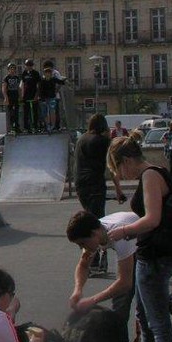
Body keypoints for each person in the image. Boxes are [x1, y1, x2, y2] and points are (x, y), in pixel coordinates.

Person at [107, 133, 172, 342]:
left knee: (157, 321)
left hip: (155, 256)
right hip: (156, 254)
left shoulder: (149, 176)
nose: (120, 176)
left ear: (127, 160)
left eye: (119, 169)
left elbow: (152, 219)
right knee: (146, 318)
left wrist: (123, 231)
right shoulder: (158, 171)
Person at [66, 210, 139, 342]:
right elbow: (84, 265)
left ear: (95, 233)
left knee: (144, 309)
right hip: (130, 244)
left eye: (82, 243)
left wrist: (92, 300)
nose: (82, 248)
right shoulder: (96, 232)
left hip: (148, 249)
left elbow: (125, 283)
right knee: (119, 306)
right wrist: (78, 290)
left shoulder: (119, 237)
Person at [74, 113, 126, 274]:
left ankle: (94, 260)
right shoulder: (103, 141)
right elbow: (112, 168)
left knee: (92, 219)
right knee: (97, 223)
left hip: (80, 185)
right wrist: (118, 190)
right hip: (95, 184)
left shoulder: (81, 139)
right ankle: (95, 260)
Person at [39, 67, 65, 134]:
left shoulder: (53, 79)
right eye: (46, 73)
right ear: (44, 74)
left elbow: (61, 82)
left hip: (52, 98)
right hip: (44, 98)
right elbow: (40, 90)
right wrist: (42, 99)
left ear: (51, 74)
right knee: (45, 112)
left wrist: (64, 80)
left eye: (49, 73)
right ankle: (47, 125)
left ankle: (52, 125)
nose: (48, 74)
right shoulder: (42, 81)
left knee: (52, 111)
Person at [20, 59, 40, 134]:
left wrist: (36, 95)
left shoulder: (36, 73)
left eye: (30, 66)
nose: (29, 67)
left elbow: (38, 85)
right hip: (26, 95)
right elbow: (22, 85)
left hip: (34, 94)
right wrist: (21, 96)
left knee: (34, 112)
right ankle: (26, 127)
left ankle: (35, 127)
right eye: (27, 66)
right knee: (26, 112)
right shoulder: (24, 73)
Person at [2, 63, 21, 134]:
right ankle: (11, 127)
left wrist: (20, 97)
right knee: (10, 113)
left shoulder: (17, 78)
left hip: (15, 96)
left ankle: (17, 127)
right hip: (9, 96)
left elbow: (19, 88)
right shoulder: (6, 78)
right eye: (11, 69)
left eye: (13, 69)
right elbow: (4, 88)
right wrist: (6, 97)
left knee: (16, 112)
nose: (12, 70)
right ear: (8, 70)